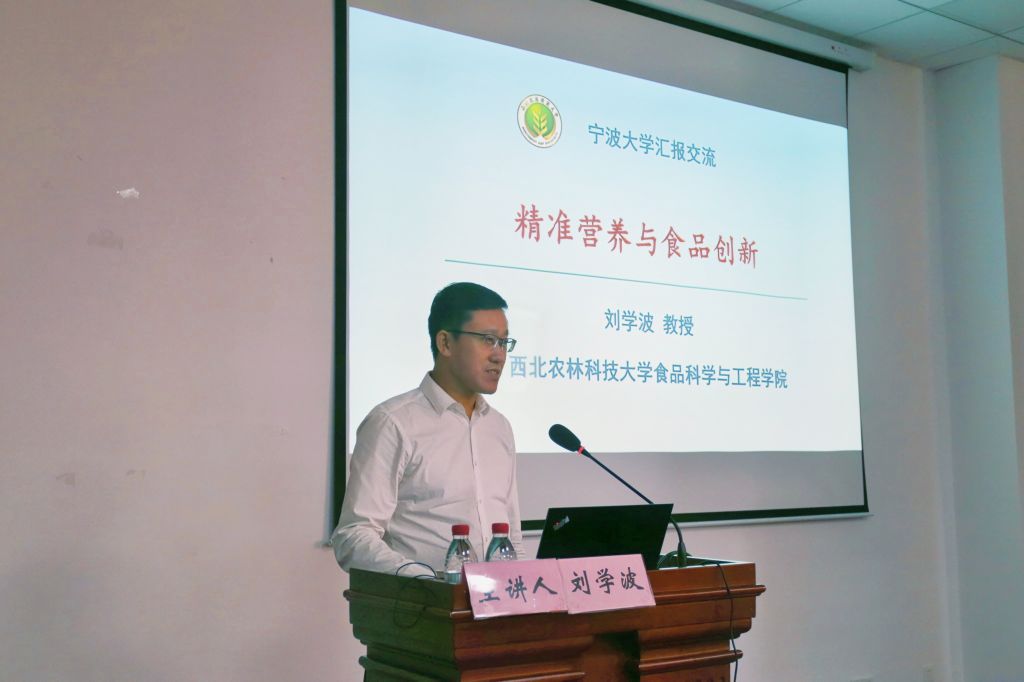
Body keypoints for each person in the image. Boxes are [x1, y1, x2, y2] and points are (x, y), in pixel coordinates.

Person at [332, 282, 524, 574]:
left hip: (494, 600)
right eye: (487, 339)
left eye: (504, 342)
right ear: (445, 343)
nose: (499, 355)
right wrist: (420, 578)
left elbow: (512, 537)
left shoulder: (499, 427)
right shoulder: (393, 423)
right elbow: (354, 536)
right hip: (422, 599)